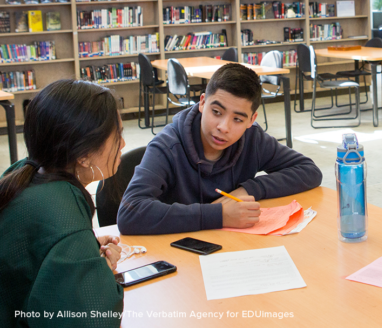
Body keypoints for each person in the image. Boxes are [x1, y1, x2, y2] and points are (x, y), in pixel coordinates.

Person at [117, 63, 322, 235]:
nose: (224, 127)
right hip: (181, 255)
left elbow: (309, 170)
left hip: (233, 247)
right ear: (202, 103)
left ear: (252, 120)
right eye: (216, 112)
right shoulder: (167, 146)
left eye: (238, 119)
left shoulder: (252, 139)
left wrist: (249, 189)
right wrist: (219, 215)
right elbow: (130, 213)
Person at [0, 79, 125, 327]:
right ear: (84, 156)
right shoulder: (62, 214)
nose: (123, 144)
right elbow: (94, 319)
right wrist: (101, 272)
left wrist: (82, 248)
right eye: (118, 135)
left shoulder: (26, 173)